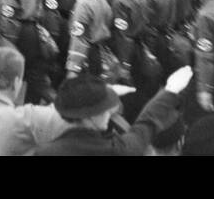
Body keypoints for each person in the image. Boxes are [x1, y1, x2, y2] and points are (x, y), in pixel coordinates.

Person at [32, 66, 193, 156]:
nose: (108, 113)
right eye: (104, 109)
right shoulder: (113, 150)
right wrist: (169, 92)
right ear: (90, 117)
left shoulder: (44, 151)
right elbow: (144, 126)